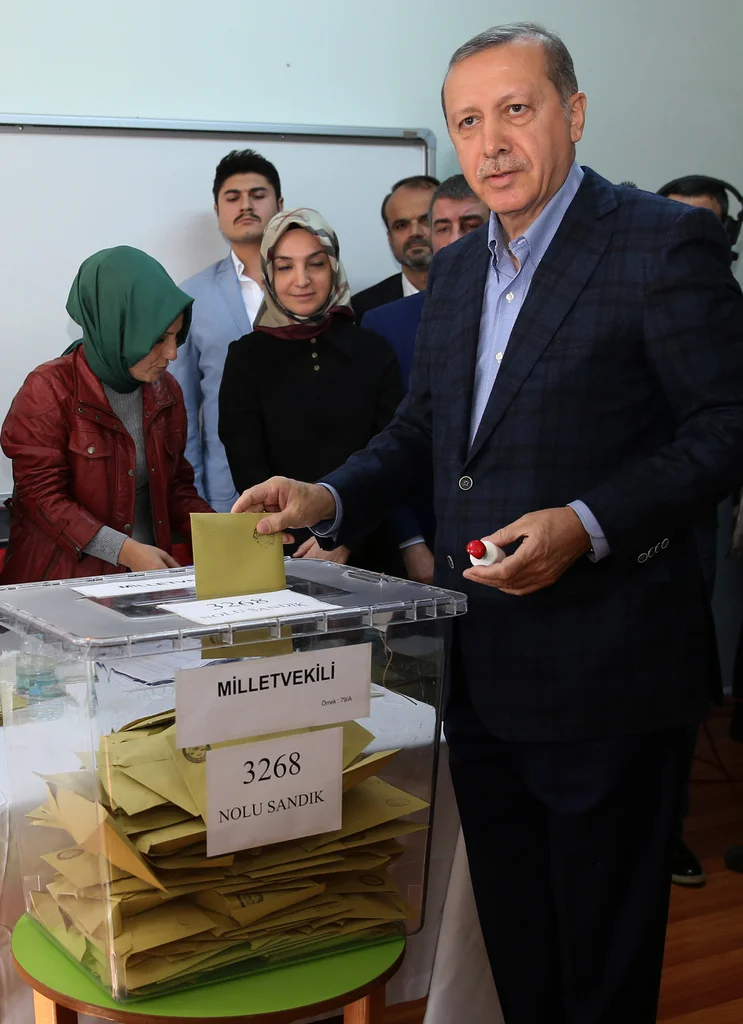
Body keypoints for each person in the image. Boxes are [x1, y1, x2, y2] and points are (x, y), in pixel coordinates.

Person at [232, 22, 743, 1024]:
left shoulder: (656, 241)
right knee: (517, 946)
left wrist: (587, 523)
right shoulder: (458, 268)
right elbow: (426, 431)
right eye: (467, 121)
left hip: (610, 672)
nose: (491, 141)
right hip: (485, 674)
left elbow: (724, 422)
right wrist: (325, 496)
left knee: (599, 957)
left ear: (574, 112)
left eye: (516, 109)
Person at [0, 247, 213, 584]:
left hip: (145, 586)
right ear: (117, 327)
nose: (172, 354)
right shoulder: (49, 389)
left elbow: (175, 488)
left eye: (176, 337)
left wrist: (230, 531)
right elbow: (43, 501)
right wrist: (126, 551)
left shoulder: (165, 390)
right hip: (60, 589)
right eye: (158, 339)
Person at [219, 208, 404, 573]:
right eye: (285, 267)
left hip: (368, 547)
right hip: (282, 547)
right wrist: (308, 536)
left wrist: (343, 536)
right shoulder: (246, 356)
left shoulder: (372, 350)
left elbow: (392, 456)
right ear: (268, 273)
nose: (301, 280)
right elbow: (247, 464)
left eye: (315, 264)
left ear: (333, 267)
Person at [657, 174, 737, 888]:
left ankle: (670, 825)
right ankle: (654, 828)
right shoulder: (638, 307)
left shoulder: (728, 313)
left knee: (688, 674)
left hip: (708, 526)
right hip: (632, 530)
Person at [362, 174, 489, 583]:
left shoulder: (535, 306)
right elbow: (393, 436)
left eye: (471, 225)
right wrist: (410, 540)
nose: (455, 240)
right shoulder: (387, 320)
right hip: (430, 523)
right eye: (443, 227)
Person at [171, 150, 283, 511]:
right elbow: (182, 411)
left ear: (279, 204)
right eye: (232, 198)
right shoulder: (190, 296)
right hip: (226, 493)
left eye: (258, 195)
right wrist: (195, 497)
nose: (246, 205)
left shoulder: (310, 287)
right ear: (218, 210)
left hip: (307, 484)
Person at [351, 175, 439, 320]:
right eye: (401, 226)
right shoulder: (363, 310)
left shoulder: (481, 294)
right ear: (390, 238)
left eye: (426, 221)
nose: (415, 233)